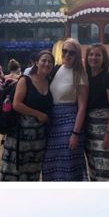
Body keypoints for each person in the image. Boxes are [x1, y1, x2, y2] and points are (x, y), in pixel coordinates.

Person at [1, 50, 54, 181]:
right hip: (20, 136)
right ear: (36, 62)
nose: (47, 64)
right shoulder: (25, 80)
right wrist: (38, 114)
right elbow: (16, 104)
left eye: (50, 62)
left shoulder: (49, 82)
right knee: (13, 173)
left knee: (32, 173)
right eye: (44, 60)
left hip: (38, 139)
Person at [43, 38, 89, 181]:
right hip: (53, 124)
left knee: (69, 165)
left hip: (70, 123)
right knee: (49, 164)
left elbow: (82, 107)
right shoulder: (56, 69)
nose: (67, 55)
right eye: (64, 51)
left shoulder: (80, 74)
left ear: (77, 55)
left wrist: (75, 133)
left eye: (71, 53)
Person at [83, 43, 109, 180]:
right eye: (91, 54)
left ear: (104, 58)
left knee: (104, 170)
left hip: (104, 128)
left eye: (98, 55)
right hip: (89, 130)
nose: (94, 58)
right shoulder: (86, 78)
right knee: (92, 169)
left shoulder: (108, 77)